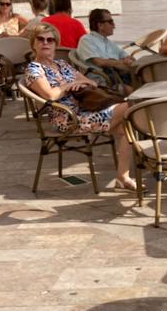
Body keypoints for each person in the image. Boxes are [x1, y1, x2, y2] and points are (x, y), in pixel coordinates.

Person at [23, 23, 135, 191]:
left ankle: (122, 177)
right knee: (131, 107)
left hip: (87, 109)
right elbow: (50, 95)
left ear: (56, 44)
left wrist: (80, 82)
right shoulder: (34, 69)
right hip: (69, 119)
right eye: (40, 39)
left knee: (128, 126)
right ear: (33, 43)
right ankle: (156, 148)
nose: (45, 43)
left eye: (50, 40)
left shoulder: (62, 64)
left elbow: (92, 82)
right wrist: (68, 85)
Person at [77, 8, 140, 87]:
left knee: (145, 72)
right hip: (102, 80)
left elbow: (128, 57)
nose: (114, 26)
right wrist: (118, 63)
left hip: (118, 77)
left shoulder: (110, 43)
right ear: (100, 25)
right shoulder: (87, 40)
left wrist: (128, 60)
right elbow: (99, 62)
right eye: (110, 22)